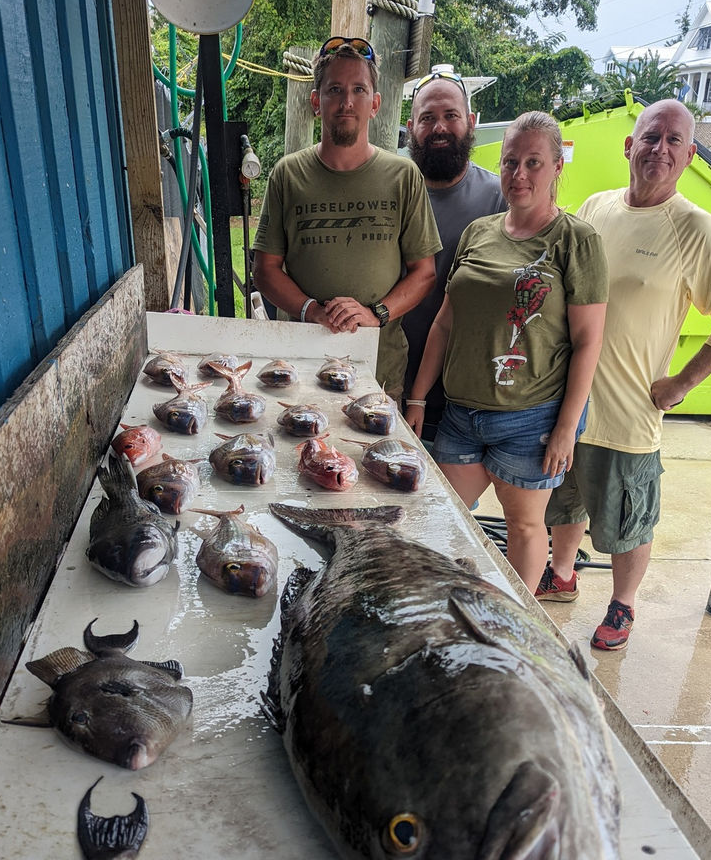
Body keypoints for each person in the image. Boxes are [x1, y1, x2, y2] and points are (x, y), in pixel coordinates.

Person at [538, 99, 711, 652]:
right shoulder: (596, 207)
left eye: (674, 140)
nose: (659, 148)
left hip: (629, 415)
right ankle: (561, 575)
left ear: (688, 156)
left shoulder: (694, 228)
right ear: (628, 145)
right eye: (651, 136)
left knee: (627, 522)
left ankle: (623, 604)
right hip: (567, 404)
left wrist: (684, 382)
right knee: (563, 501)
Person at [405, 111, 608, 594]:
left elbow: (588, 342)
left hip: (531, 420)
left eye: (534, 162)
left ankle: (519, 625)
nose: (519, 175)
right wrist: (417, 399)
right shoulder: (480, 232)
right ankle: (451, 609)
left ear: (558, 166)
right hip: (461, 413)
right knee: (440, 515)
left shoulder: (576, 241)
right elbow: (445, 322)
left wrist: (565, 429)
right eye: (510, 162)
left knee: (523, 526)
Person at [252, 37, 441, 401]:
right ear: (315, 102)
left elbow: (424, 272)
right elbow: (265, 269)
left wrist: (376, 314)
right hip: (301, 368)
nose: (347, 102)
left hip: (379, 371)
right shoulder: (287, 175)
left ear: (376, 103)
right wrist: (312, 311)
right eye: (334, 90)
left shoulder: (404, 177)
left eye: (359, 89)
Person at [402, 66, 507, 442]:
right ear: (411, 125)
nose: (439, 127)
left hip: (464, 404)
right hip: (387, 381)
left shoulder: (500, 198)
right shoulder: (391, 189)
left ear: (472, 121)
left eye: (451, 116)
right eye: (427, 118)